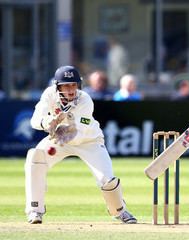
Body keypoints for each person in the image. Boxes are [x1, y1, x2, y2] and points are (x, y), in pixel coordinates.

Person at [25, 65, 137, 224]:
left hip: (88, 141)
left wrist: (58, 128)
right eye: (66, 85)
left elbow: (78, 132)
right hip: (59, 140)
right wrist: (46, 122)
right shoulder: (49, 95)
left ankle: (120, 211)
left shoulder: (85, 99)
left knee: (107, 180)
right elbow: (35, 120)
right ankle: (35, 210)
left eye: (74, 85)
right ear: (58, 86)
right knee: (35, 158)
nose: (71, 89)